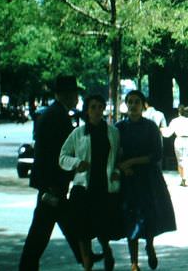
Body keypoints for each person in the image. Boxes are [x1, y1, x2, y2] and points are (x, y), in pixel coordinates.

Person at [19, 75, 85, 271]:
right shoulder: (56, 116)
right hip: (52, 184)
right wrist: (53, 183)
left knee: (64, 222)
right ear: (66, 95)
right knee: (43, 230)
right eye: (74, 94)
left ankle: (83, 255)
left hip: (52, 183)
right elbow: (52, 153)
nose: (76, 98)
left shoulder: (54, 113)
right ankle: (83, 255)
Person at [59, 94, 122, 271]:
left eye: (100, 107)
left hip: (104, 186)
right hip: (83, 188)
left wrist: (116, 172)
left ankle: (106, 251)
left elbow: (117, 158)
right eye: (93, 107)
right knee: (82, 231)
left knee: (103, 227)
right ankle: (87, 265)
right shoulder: (78, 133)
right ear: (87, 110)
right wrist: (77, 163)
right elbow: (63, 157)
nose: (96, 110)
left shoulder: (113, 133)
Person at [116, 90, 177, 271]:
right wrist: (121, 166)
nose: (133, 105)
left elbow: (156, 154)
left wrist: (132, 161)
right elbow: (112, 152)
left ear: (143, 105)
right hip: (128, 180)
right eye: (130, 102)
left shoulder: (150, 127)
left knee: (148, 216)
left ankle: (149, 245)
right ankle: (134, 262)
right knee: (130, 218)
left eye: (136, 102)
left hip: (148, 178)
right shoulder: (119, 127)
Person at [165, 104, 188, 186]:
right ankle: (185, 178)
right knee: (187, 159)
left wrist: (161, 131)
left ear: (179, 112)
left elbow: (168, 133)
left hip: (178, 140)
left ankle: (182, 177)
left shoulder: (174, 121)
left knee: (180, 160)